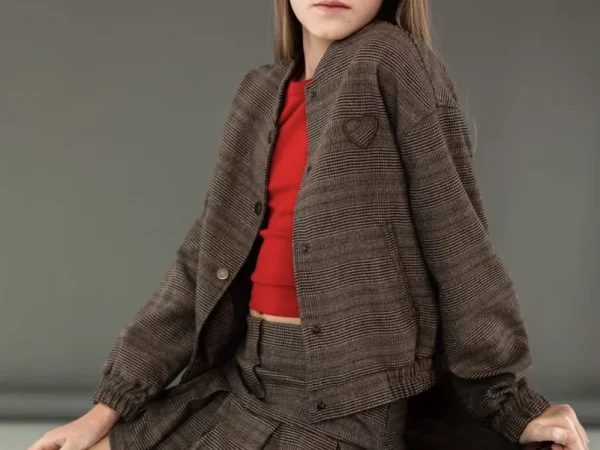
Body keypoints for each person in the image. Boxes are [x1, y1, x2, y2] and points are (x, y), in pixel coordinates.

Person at [30, 1, 590, 449]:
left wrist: (510, 405)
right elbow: (200, 262)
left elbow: (459, 244)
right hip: (243, 379)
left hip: (346, 401)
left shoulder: (389, 60)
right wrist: (106, 409)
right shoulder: (258, 94)